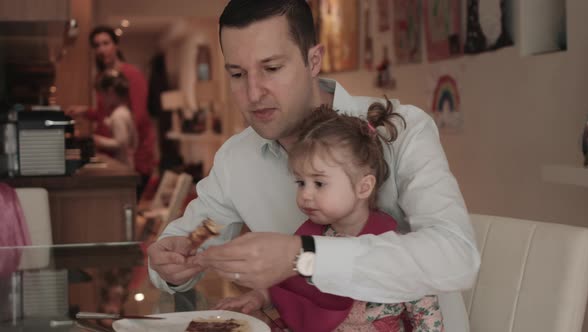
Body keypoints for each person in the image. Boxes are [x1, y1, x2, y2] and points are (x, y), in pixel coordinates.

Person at [147, 1, 479, 330]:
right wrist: (177, 254)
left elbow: (456, 257)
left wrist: (304, 256)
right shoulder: (237, 159)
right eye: (237, 74)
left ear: (313, 60)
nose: (252, 93)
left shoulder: (400, 131)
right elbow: (205, 228)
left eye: (272, 68)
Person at [214, 102, 444, 331]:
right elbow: (291, 285)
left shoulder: (393, 249)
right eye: (301, 182)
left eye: (319, 183)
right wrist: (260, 297)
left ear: (363, 187)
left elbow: (426, 313)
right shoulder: (314, 239)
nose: (305, 195)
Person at [67, 26, 157, 196]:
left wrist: (112, 141)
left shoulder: (132, 74)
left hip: (134, 155)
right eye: (96, 45)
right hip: (115, 154)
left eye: (105, 43)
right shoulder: (101, 77)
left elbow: (137, 116)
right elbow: (104, 115)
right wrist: (85, 111)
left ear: (116, 45)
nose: (101, 49)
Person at [93, 70, 138, 168]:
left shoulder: (118, 115)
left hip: (122, 165)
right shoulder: (125, 111)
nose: (101, 100)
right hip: (127, 163)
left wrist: (98, 140)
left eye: (102, 95)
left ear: (111, 92)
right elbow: (134, 141)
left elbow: (121, 143)